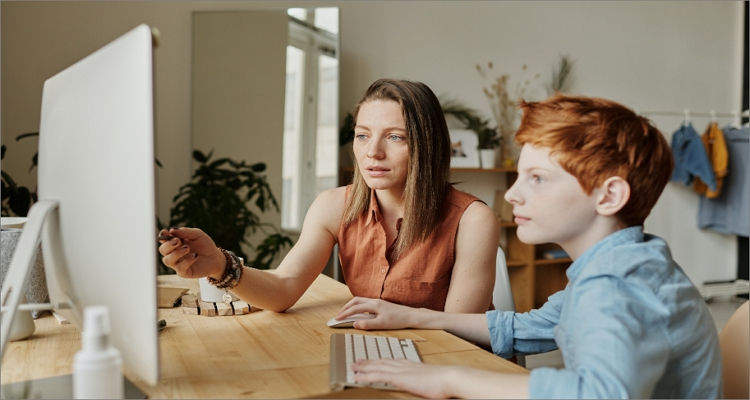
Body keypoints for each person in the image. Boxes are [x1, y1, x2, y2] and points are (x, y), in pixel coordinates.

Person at [336, 95, 723, 398]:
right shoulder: (623, 263)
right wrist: (412, 316)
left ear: (609, 196)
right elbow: (526, 327)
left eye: (537, 179)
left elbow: (600, 394)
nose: (514, 195)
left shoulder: (618, 285)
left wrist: (449, 378)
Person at [158, 78, 499, 313]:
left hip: (450, 367)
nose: (372, 153)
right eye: (363, 135)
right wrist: (219, 263)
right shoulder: (334, 206)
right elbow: (283, 289)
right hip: (378, 356)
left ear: (427, 145)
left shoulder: (472, 220)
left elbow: (460, 332)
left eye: (395, 137)